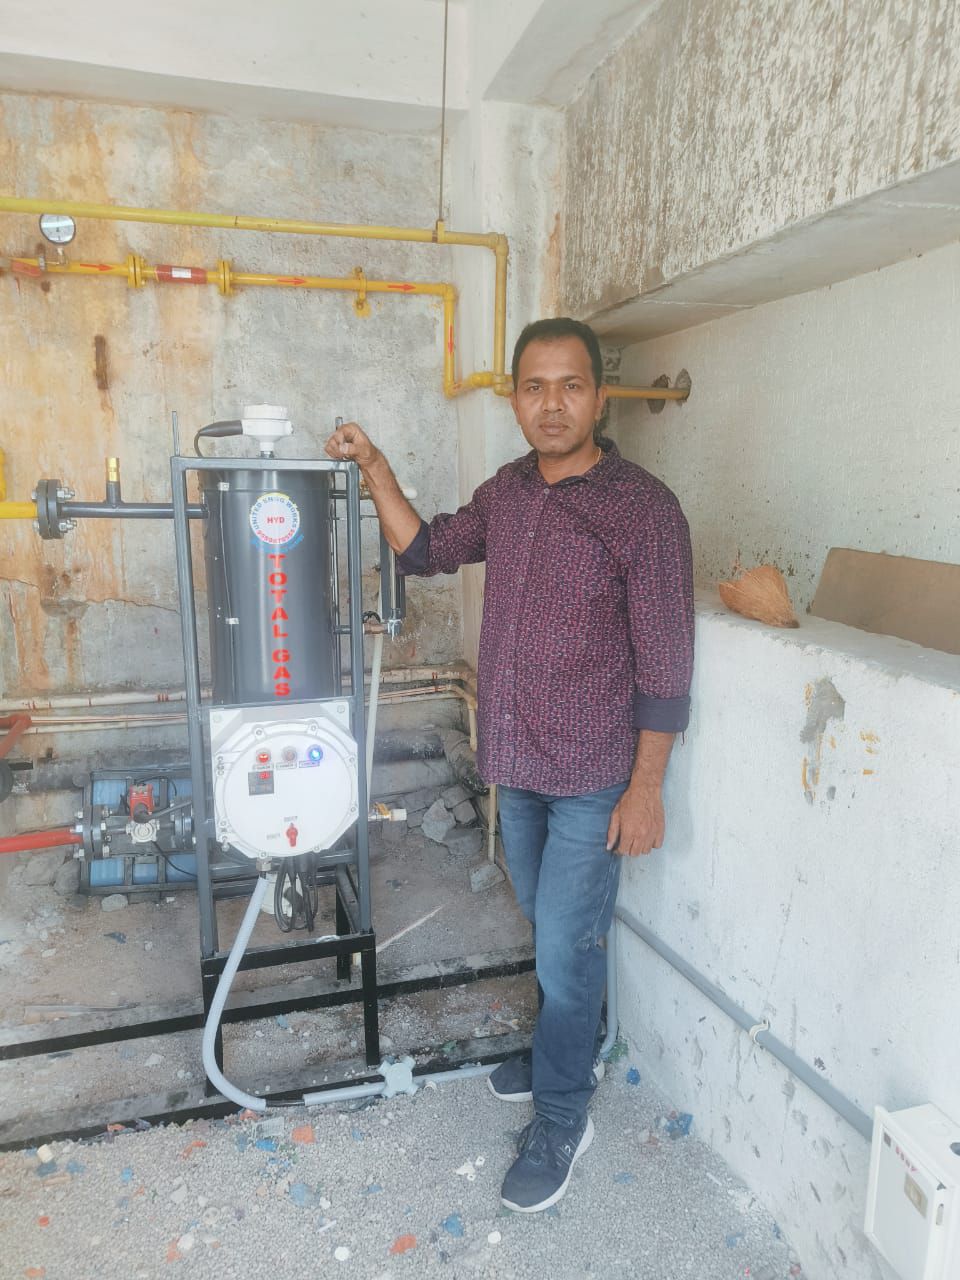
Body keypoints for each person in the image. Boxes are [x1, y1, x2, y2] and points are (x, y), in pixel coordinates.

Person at [324, 316, 694, 1213]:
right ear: (516, 400)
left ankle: (563, 1111)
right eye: (535, 387)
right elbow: (424, 551)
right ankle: (571, 1045)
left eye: (571, 386)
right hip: (517, 762)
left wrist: (646, 788)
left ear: (599, 398)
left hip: (595, 772)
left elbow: (667, 664)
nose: (552, 404)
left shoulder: (644, 509)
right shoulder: (510, 491)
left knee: (566, 946)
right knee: (544, 921)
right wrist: (375, 466)